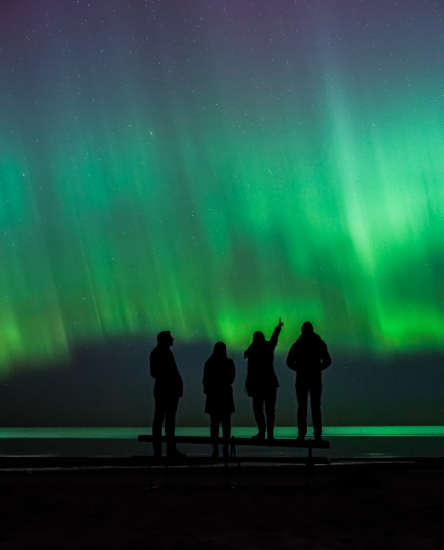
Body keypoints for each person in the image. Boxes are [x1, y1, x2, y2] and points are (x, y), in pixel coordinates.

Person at [286, 321, 331, 441]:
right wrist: (318, 369)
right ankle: (315, 434)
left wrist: (299, 369)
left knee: (304, 407)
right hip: (313, 379)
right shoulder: (317, 343)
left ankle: (304, 434)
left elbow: (289, 362)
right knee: (313, 407)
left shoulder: (298, 344)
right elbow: (327, 361)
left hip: (304, 379)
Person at [244, 319, 283, 440]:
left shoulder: (254, 350)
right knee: (267, 411)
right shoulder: (263, 348)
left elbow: (273, 339)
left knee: (262, 411)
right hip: (267, 385)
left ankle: (264, 433)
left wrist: (278, 329)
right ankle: (267, 434)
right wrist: (278, 328)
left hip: (261, 385)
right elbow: (274, 339)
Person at [150, 330, 185, 458]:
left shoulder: (164, 352)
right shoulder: (158, 353)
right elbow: (154, 372)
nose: (173, 339)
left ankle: (168, 450)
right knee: (162, 420)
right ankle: (161, 451)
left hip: (168, 391)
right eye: (170, 337)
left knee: (167, 420)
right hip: (165, 391)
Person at [203, 342, 235, 458]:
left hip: (213, 396)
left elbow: (205, 379)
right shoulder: (229, 362)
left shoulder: (209, 363)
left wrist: (209, 388)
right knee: (226, 423)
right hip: (225, 395)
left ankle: (215, 448)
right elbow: (231, 378)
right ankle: (224, 447)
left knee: (214, 423)